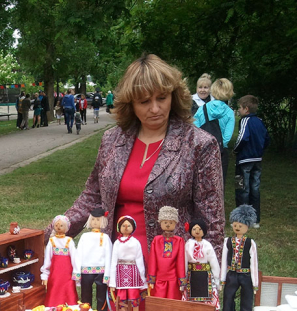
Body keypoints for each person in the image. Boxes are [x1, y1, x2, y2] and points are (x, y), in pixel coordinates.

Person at [47, 53, 224, 276]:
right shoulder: (112, 140)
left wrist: (207, 279)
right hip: (117, 267)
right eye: (144, 101)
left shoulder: (199, 144)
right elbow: (91, 197)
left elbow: (212, 220)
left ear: (174, 96)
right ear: (130, 103)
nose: (155, 108)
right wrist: (47, 236)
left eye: (162, 98)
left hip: (172, 271)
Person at [220, 205, 258, 311]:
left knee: (246, 304)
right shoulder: (228, 241)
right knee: (228, 302)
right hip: (231, 275)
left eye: (240, 225)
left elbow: (254, 263)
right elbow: (224, 260)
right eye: (235, 225)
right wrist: (222, 279)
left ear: (247, 227)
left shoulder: (250, 243)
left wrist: (255, 283)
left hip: (246, 275)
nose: (237, 227)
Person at [234, 95, 270, 228]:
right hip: (257, 160)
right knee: (255, 189)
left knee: (242, 189)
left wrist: (236, 150)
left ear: (246, 109)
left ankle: (242, 220)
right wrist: (260, 150)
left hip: (244, 160)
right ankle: (255, 220)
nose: (239, 110)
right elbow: (267, 138)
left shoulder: (245, 120)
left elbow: (242, 138)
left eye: (240, 108)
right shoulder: (260, 121)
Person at [193, 78, 235, 186]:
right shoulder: (229, 112)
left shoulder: (203, 109)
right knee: (219, 183)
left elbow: (195, 129)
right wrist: (219, 146)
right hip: (221, 152)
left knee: (202, 183)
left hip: (204, 151)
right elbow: (227, 137)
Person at [73, 207, 112, 311]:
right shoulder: (84, 237)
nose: (95, 222)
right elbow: (78, 254)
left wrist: (108, 274)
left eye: (98, 220)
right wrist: (77, 271)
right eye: (93, 219)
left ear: (103, 221)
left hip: (101, 271)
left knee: (101, 296)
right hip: (86, 270)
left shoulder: (105, 237)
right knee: (85, 295)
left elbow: (109, 255)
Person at [147, 206, 186, 300]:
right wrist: (152, 279)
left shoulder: (179, 240)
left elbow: (180, 262)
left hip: (173, 280)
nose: (168, 225)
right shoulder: (156, 240)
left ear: (175, 223)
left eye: (171, 222)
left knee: (172, 302)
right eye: (165, 222)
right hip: (159, 279)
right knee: (159, 302)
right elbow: (153, 260)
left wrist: (181, 281)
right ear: (160, 222)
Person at [41, 215, 79, 307]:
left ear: (66, 227)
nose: (58, 227)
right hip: (55, 273)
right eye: (56, 225)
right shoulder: (52, 241)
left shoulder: (69, 241)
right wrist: (45, 274)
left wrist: (76, 273)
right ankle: (53, 305)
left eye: (61, 225)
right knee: (54, 287)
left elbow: (74, 257)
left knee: (68, 288)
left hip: (67, 273)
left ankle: (70, 306)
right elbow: (47, 258)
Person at [184, 219, 220, 311]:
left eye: (199, 229)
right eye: (194, 229)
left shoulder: (207, 245)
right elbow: (184, 260)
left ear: (204, 231)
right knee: (191, 298)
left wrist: (216, 277)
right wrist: (183, 275)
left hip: (205, 276)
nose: (197, 231)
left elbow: (213, 260)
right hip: (191, 275)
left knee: (207, 298)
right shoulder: (188, 244)